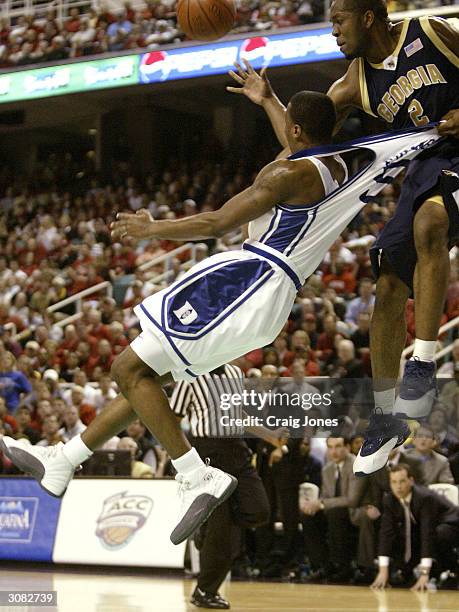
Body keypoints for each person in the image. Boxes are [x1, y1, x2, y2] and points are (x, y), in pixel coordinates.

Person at [0, 91, 442, 546]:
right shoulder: (340, 162)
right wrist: (269, 99)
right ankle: (66, 459)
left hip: (247, 281)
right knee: (145, 378)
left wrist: (153, 229)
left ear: (294, 130)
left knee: (126, 370)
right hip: (269, 294)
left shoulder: (289, 173)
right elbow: (300, 138)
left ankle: (196, 476)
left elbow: (215, 223)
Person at [228, 0, 459, 476]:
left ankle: (423, 365)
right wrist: (268, 100)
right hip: (425, 167)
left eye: (339, 20)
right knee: (389, 280)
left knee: (428, 226)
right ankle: (385, 414)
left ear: (368, 17)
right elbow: (303, 145)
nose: (333, 31)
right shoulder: (352, 83)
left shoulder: (432, 31)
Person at [170, 363, 280, 609]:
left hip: (237, 449)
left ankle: (205, 526)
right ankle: (205, 592)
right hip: (208, 453)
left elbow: (238, 414)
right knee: (223, 533)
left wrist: (268, 434)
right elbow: (171, 418)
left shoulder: (235, 373)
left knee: (259, 510)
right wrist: (183, 458)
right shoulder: (189, 375)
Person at [372, 464, 459, 590]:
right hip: (425, 527)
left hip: (451, 524)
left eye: (402, 481)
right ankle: (404, 570)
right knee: (398, 532)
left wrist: (424, 574)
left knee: (439, 534)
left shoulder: (424, 498)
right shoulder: (389, 500)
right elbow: (386, 533)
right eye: (394, 482)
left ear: (411, 481)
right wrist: (383, 570)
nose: (398, 487)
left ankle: (451, 571)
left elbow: (427, 533)